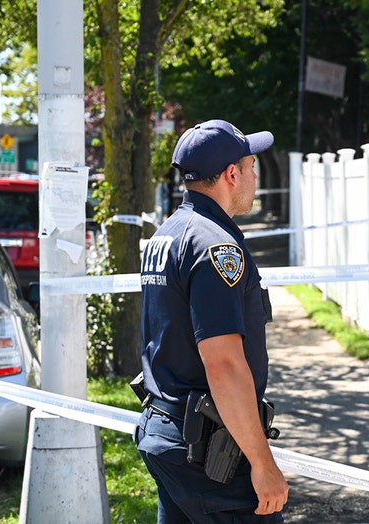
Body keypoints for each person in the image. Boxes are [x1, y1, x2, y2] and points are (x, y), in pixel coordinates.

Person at [135, 119, 289, 522]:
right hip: (212, 458)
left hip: (169, 437)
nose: (255, 177)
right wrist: (262, 462)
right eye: (251, 167)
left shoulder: (167, 234)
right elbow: (222, 362)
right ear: (232, 174)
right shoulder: (216, 246)